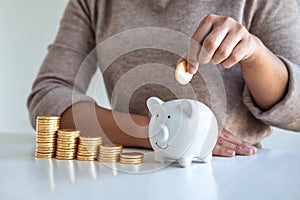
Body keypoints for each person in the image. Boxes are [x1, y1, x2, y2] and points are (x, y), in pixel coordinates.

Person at [27, 0, 300, 157]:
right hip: (133, 163)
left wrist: (255, 55)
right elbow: (48, 95)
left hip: (234, 170)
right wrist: (159, 132)